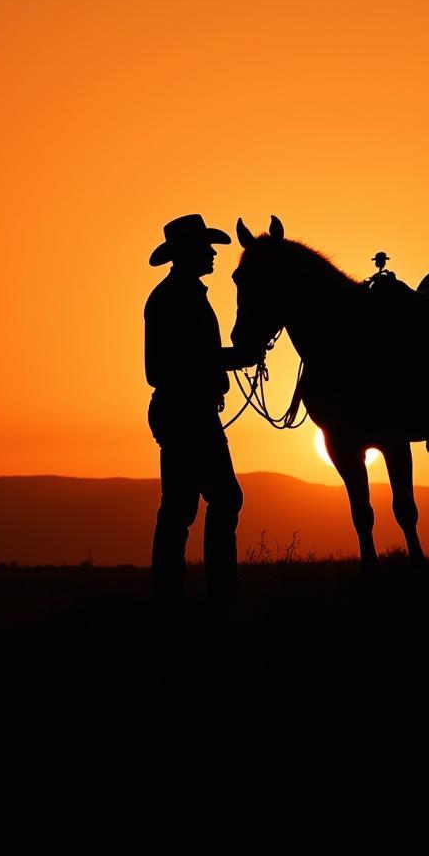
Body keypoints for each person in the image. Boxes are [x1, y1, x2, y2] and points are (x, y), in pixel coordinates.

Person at [144, 214, 259, 599]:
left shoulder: (178, 295)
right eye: (205, 247)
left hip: (184, 410)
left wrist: (226, 359)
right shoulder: (174, 299)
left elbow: (186, 359)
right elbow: (163, 367)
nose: (212, 253)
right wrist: (230, 359)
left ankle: (173, 590)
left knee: (182, 506)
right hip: (187, 411)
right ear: (188, 253)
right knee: (219, 499)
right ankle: (218, 586)